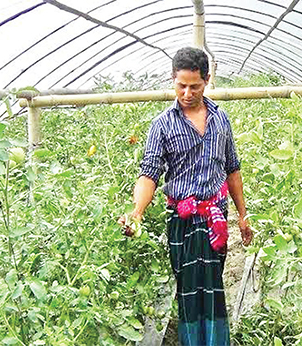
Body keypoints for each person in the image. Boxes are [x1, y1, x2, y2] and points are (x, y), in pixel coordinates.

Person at [121, 47, 253, 346]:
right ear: (173, 80)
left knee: (213, 288)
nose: (187, 92)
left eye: (195, 85)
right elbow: (149, 173)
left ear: (207, 80)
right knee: (189, 291)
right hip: (182, 220)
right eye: (181, 85)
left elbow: (232, 169)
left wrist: (243, 216)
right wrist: (137, 212)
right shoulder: (163, 124)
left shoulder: (221, 119)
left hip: (215, 219)